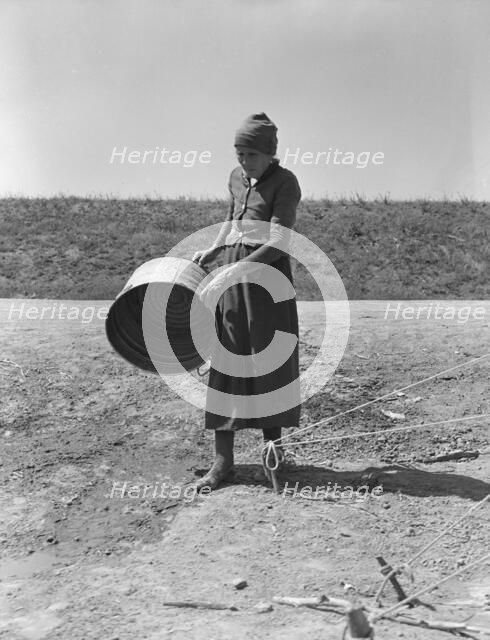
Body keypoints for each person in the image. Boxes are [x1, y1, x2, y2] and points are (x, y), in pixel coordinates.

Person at [191, 112, 302, 490]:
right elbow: (230, 220)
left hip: (266, 281)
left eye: (251, 154)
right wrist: (213, 249)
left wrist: (235, 270)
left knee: (265, 363)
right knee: (226, 361)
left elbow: (279, 242)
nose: (243, 161)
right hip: (231, 277)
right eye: (239, 153)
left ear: (270, 153)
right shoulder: (236, 178)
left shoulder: (285, 183)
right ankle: (223, 462)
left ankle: (274, 456)